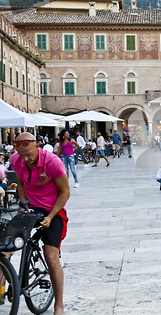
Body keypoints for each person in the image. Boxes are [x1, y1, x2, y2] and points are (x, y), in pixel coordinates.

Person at [11, 132, 70, 315]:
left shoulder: (52, 162)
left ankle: (58, 305)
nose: (26, 159)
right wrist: (22, 205)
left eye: (29, 154)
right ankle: (3, 285)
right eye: (22, 155)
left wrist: (51, 217)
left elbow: (65, 192)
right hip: (30, 208)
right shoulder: (16, 159)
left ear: (38, 145)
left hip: (54, 210)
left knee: (50, 256)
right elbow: (20, 183)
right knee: (4, 246)